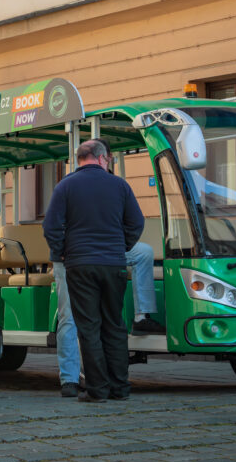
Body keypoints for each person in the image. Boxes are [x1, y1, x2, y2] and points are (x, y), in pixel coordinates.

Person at [43, 139, 144, 403]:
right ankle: (120, 388)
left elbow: (51, 226)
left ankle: (97, 390)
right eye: (108, 160)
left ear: (80, 159)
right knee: (114, 324)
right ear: (101, 158)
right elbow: (136, 222)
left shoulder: (65, 186)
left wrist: (62, 249)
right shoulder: (120, 185)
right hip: (113, 265)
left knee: (88, 327)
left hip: (80, 265)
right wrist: (121, 246)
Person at [51, 240, 162, 397]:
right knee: (68, 316)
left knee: (144, 252)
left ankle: (141, 316)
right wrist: (62, 247)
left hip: (105, 246)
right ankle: (70, 379)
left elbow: (133, 220)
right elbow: (52, 225)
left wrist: (118, 238)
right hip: (73, 252)